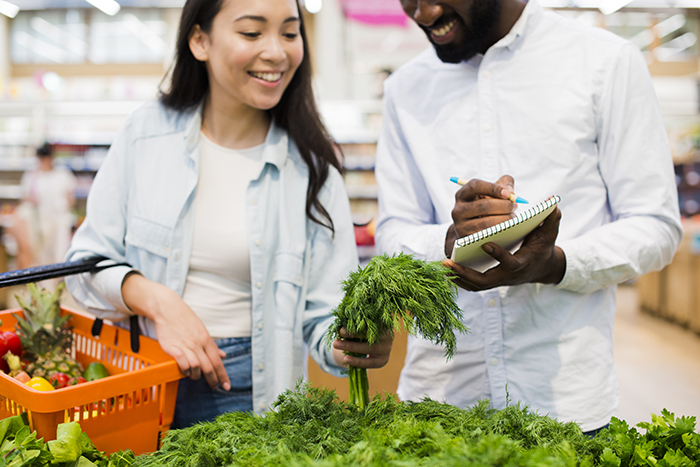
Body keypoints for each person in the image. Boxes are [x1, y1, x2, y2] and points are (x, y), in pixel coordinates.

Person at [65, 0, 392, 428]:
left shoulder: (311, 169)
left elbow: (321, 317)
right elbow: (84, 266)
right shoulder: (145, 135)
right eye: (252, 33)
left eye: (290, 33)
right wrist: (160, 303)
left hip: (247, 391)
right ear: (200, 40)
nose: (276, 52)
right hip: (138, 381)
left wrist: (350, 344)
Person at [374, 0, 682, 436]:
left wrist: (556, 264)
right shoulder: (406, 88)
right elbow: (390, 230)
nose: (423, 13)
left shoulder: (605, 62)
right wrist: (446, 243)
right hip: (439, 403)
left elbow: (656, 224)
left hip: (564, 407)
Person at [14, 142, 77, 269]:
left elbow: (71, 197)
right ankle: (44, 284)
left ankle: (57, 281)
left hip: (59, 221)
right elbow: (24, 197)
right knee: (40, 254)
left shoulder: (62, 173)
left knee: (59, 253)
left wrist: (64, 204)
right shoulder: (32, 175)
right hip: (40, 221)